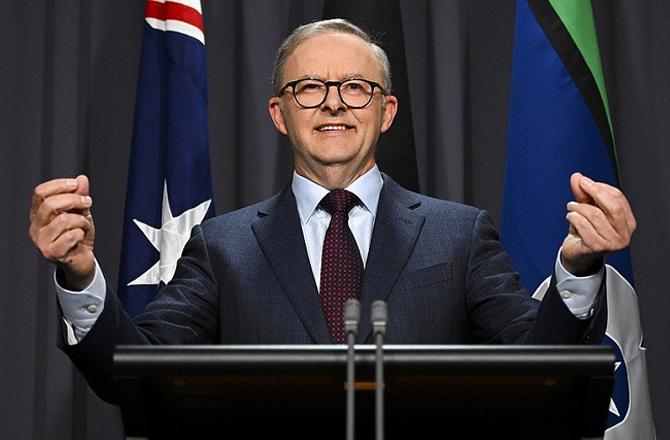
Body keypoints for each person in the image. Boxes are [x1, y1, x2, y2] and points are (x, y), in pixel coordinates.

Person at [28, 19, 635, 404]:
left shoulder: (459, 234)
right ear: (279, 113)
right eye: (309, 88)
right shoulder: (222, 247)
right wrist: (82, 275)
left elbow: (536, 366)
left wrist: (577, 267)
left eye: (355, 87)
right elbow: (134, 375)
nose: (333, 104)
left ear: (386, 111)